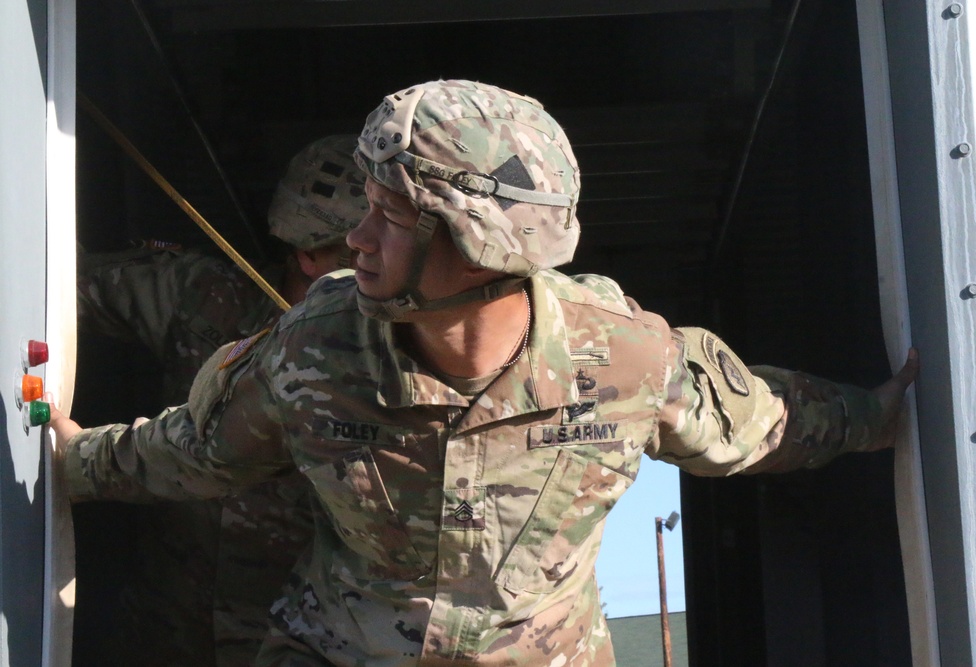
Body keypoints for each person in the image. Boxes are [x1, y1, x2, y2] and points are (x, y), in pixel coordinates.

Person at [52, 79, 919, 666]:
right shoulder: (316, 347)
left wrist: (884, 416)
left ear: (474, 250)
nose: (356, 242)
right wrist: (69, 459)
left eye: (388, 218)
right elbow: (196, 450)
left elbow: (762, 424)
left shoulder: (622, 358)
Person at [73, 134, 368, 666]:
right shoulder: (210, 297)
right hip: (167, 621)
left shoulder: (402, 354)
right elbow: (54, 285)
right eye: (356, 249)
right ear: (306, 251)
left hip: (300, 640)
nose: (379, 262)